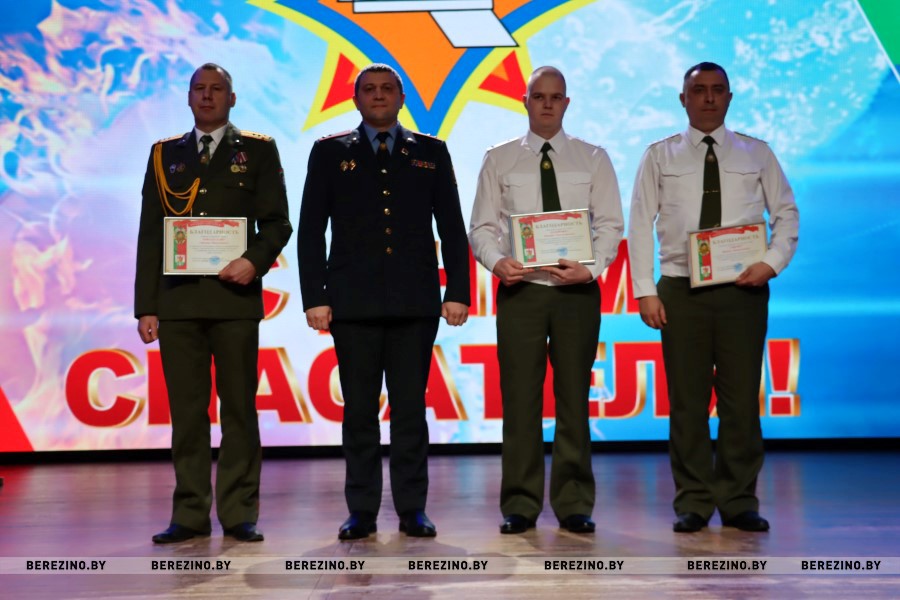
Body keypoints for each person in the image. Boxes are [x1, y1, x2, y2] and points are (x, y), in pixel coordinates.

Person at [298, 63, 470, 540]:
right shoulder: (330, 152)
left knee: (410, 410)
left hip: (415, 304)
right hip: (352, 304)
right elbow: (311, 230)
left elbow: (451, 226)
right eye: (369, 89)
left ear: (401, 97)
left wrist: (457, 291)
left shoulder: (430, 152)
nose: (378, 95)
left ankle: (413, 509)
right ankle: (362, 511)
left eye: (387, 88)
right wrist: (315, 297)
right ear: (356, 99)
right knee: (359, 412)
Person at [628, 62, 799, 533]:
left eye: (717, 90)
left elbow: (786, 214)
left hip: (743, 290)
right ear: (682, 99)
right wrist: (645, 291)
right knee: (687, 401)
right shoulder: (659, 155)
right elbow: (639, 223)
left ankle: (740, 500)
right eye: (698, 90)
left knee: (741, 400)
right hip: (680, 289)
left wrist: (772, 263)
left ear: (729, 97)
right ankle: (694, 501)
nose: (708, 98)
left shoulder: (757, 152)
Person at [135, 63, 292, 544]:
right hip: (178, 303)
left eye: (217, 89)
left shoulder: (258, 150)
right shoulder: (165, 154)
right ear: (188, 98)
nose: (207, 96)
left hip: (234, 301)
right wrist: (146, 306)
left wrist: (253, 262)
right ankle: (189, 513)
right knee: (187, 414)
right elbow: (150, 234)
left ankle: (240, 511)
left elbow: (278, 223)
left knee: (239, 409)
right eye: (199, 89)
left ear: (232, 98)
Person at [469, 66, 624, 534]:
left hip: (577, 292)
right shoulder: (499, 159)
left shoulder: (593, 157)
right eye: (540, 96)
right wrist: (497, 262)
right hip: (523, 292)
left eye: (556, 97)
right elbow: (481, 227)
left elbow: (610, 224)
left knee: (574, 399)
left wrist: (591, 269)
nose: (548, 104)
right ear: (526, 101)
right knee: (520, 401)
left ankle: (574, 503)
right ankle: (520, 503)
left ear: (567, 103)